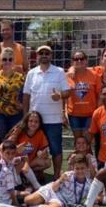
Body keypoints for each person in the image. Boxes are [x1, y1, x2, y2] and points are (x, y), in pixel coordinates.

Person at [22, 44, 70, 179]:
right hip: (35, 121)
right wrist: (25, 116)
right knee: (34, 149)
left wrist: (59, 95)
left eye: (47, 53)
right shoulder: (31, 73)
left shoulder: (59, 71)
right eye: (41, 53)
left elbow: (67, 92)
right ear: (37, 56)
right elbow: (26, 95)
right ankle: (36, 174)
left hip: (54, 119)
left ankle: (56, 176)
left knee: (55, 149)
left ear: (51, 55)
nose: (44, 55)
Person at [24, 155, 92, 207]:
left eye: (82, 168)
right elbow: (53, 188)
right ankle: (31, 198)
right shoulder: (68, 175)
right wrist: (60, 180)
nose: (80, 171)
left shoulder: (88, 185)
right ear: (73, 168)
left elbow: (91, 200)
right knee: (27, 200)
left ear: (87, 168)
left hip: (61, 201)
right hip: (51, 190)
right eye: (77, 168)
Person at [7, 111, 49, 189]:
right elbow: (6, 148)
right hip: (15, 162)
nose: (33, 124)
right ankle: (35, 185)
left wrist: (43, 153)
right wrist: (16, 149)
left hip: (28, 161)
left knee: (47, 162)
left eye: (36, 122)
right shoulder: (20, 131)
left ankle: (25, 177)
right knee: (22, 162)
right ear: (26, 121)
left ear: (39, 123)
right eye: (31, 121)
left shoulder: (40, 133)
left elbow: (45, 149)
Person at [66, 50, 100, 139]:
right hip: (74, 114)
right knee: (78, 142)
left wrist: (98, 111)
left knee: (87, 141)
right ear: (72, 61)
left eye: (82, 59)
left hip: (89, 114)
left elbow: (99, 95)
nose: (79, 61)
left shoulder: (94, 75)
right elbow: (64, 95)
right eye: (76, 59)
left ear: (86, 60)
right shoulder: (68, 76)